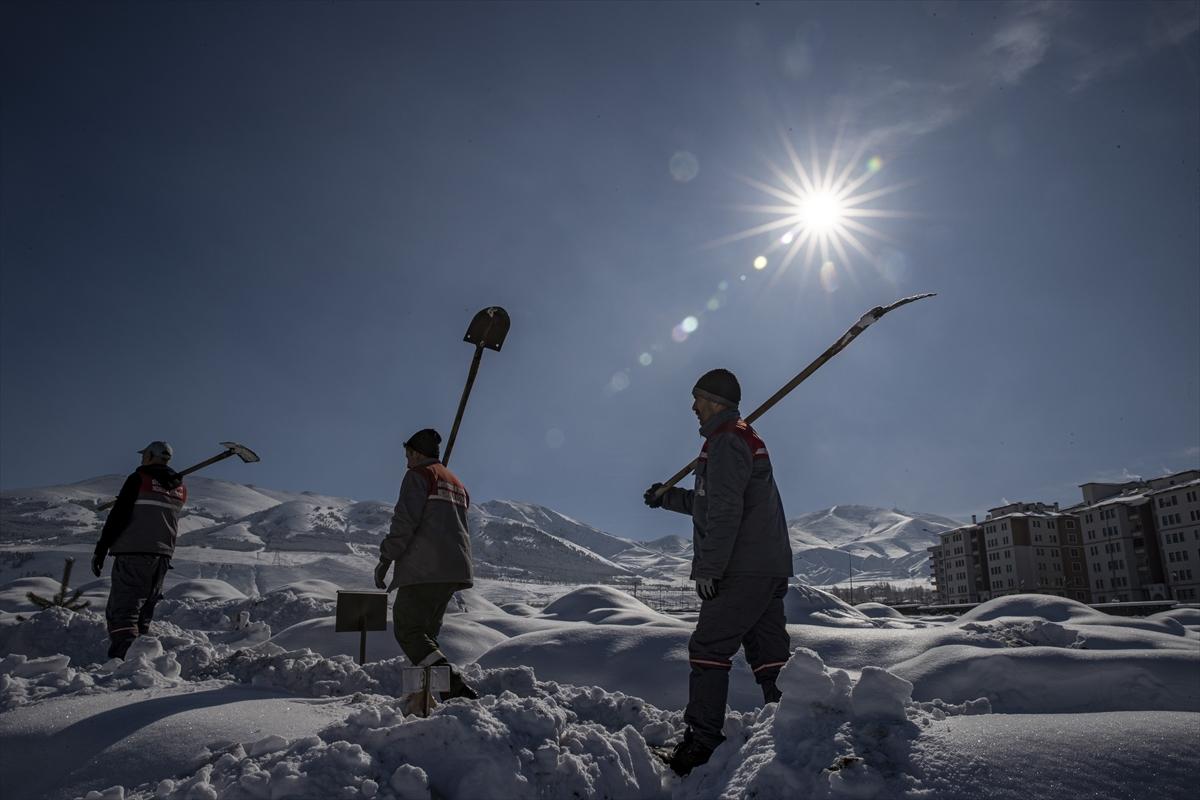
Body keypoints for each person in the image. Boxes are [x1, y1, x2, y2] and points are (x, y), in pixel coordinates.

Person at [644, 369, 794, 776]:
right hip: (766, 565)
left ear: (716, 401)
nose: (693, 406)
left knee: (708, 649)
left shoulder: (727, 440)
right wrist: (667, 498)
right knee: (769, 657)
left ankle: (702, 744)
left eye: (698, 398)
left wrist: (709, 569)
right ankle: (795, 732)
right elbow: (712, 501)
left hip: (742, 566)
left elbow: (725, 510)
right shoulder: (737, 438)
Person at [375, 428, 478, 701]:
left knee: (408, 629)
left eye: (408, 455)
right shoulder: (456, 483)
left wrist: (386, 558)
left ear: (418, 454)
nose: (406, 462)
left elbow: (405, 521)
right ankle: (425, 700)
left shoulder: (418, 475)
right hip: (453, 569)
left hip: (425, 569)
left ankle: (452, 686)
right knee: (426, 638)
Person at [92, 441, 187, 659]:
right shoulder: (180, 488)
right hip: (163, 555)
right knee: (144, 611)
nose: (141, 459)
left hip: (133, 551)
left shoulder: (138, 479)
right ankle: (143, 660)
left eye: (144, 455)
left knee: (123, 610)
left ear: (151, 456)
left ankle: (124, 661)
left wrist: (101, 548)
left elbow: (118, 517)